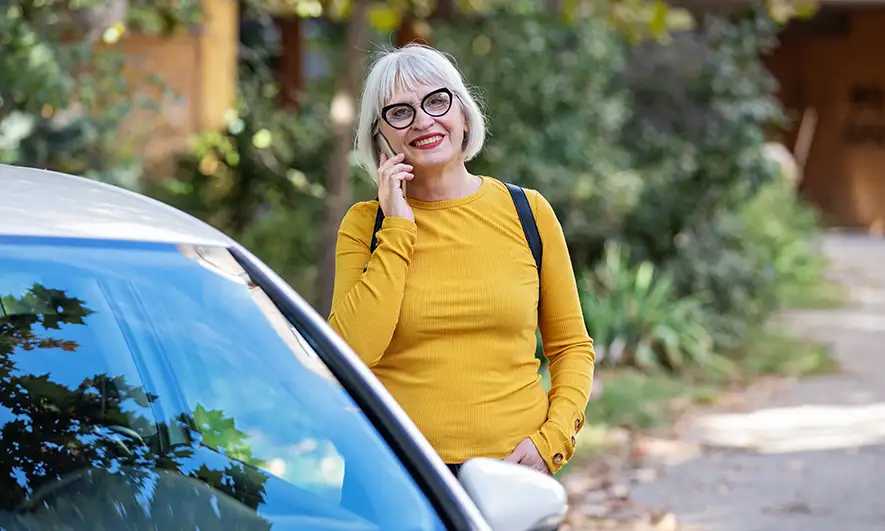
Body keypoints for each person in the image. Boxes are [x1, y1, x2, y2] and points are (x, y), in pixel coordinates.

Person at [328, 44, 595, 477]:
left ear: (464, 113)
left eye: (436, 101)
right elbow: (351, 354)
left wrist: (553, 440)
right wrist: (398, 227)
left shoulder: (528, 211)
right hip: (393, 474)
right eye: (400, 112)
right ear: (380, 137)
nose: (422, 121)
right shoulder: (365, 226)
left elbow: (571, 347)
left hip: (512, 475)